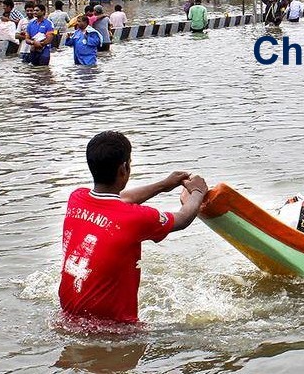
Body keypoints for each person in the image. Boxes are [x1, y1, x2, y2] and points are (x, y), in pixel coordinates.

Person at [59, 131, 208, 323]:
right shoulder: (136, 218)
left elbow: (120, 199)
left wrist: (164, 185)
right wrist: (198, 192)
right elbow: (182, 219)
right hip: (116, 331)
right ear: (124, 168)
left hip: (67, 318)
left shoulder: (77, 198)